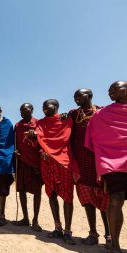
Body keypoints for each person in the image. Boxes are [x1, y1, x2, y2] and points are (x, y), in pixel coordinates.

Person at [28, 99, 80, 245]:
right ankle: (57, 227)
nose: (44, 108)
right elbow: (39, 140)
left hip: (63, 162)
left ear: (56, 106)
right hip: (47, 163)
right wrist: (34, 138)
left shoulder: (66, 120)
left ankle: (68, 231)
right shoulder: (41, 123)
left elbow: (66, 137)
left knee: (68, 197)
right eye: (42, 106)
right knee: (51, 194)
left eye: (47, 105)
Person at [85, 81, 127, 253]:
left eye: (115, 89)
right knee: (116, 200)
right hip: (112, 162)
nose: (110, 92)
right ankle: (115, 244)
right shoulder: (102, 114)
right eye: (109, 90)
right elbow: (92, 133)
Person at [68, 89, 110, 246]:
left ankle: (109, 234)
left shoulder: (101, 112)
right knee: (87, 201)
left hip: (99, 163)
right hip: (81, 165)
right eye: (75, 96)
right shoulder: (73, 114)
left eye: (79, 95)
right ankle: (93, 233)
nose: (76, 98)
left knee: (104, 201)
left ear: (90, 96)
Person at [13, 103, 43, 231]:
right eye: (20, 110)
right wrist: (14, 151)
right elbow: (14, 142)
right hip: (21, 162)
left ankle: (35, 220)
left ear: (32, 110)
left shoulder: (38, 123)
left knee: (37, 192)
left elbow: (43, 141)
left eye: (25, 109)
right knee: (21, 190)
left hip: (35, 163)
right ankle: (25, 218)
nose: (22, 112)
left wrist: (35, 137)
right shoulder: (17, 125)